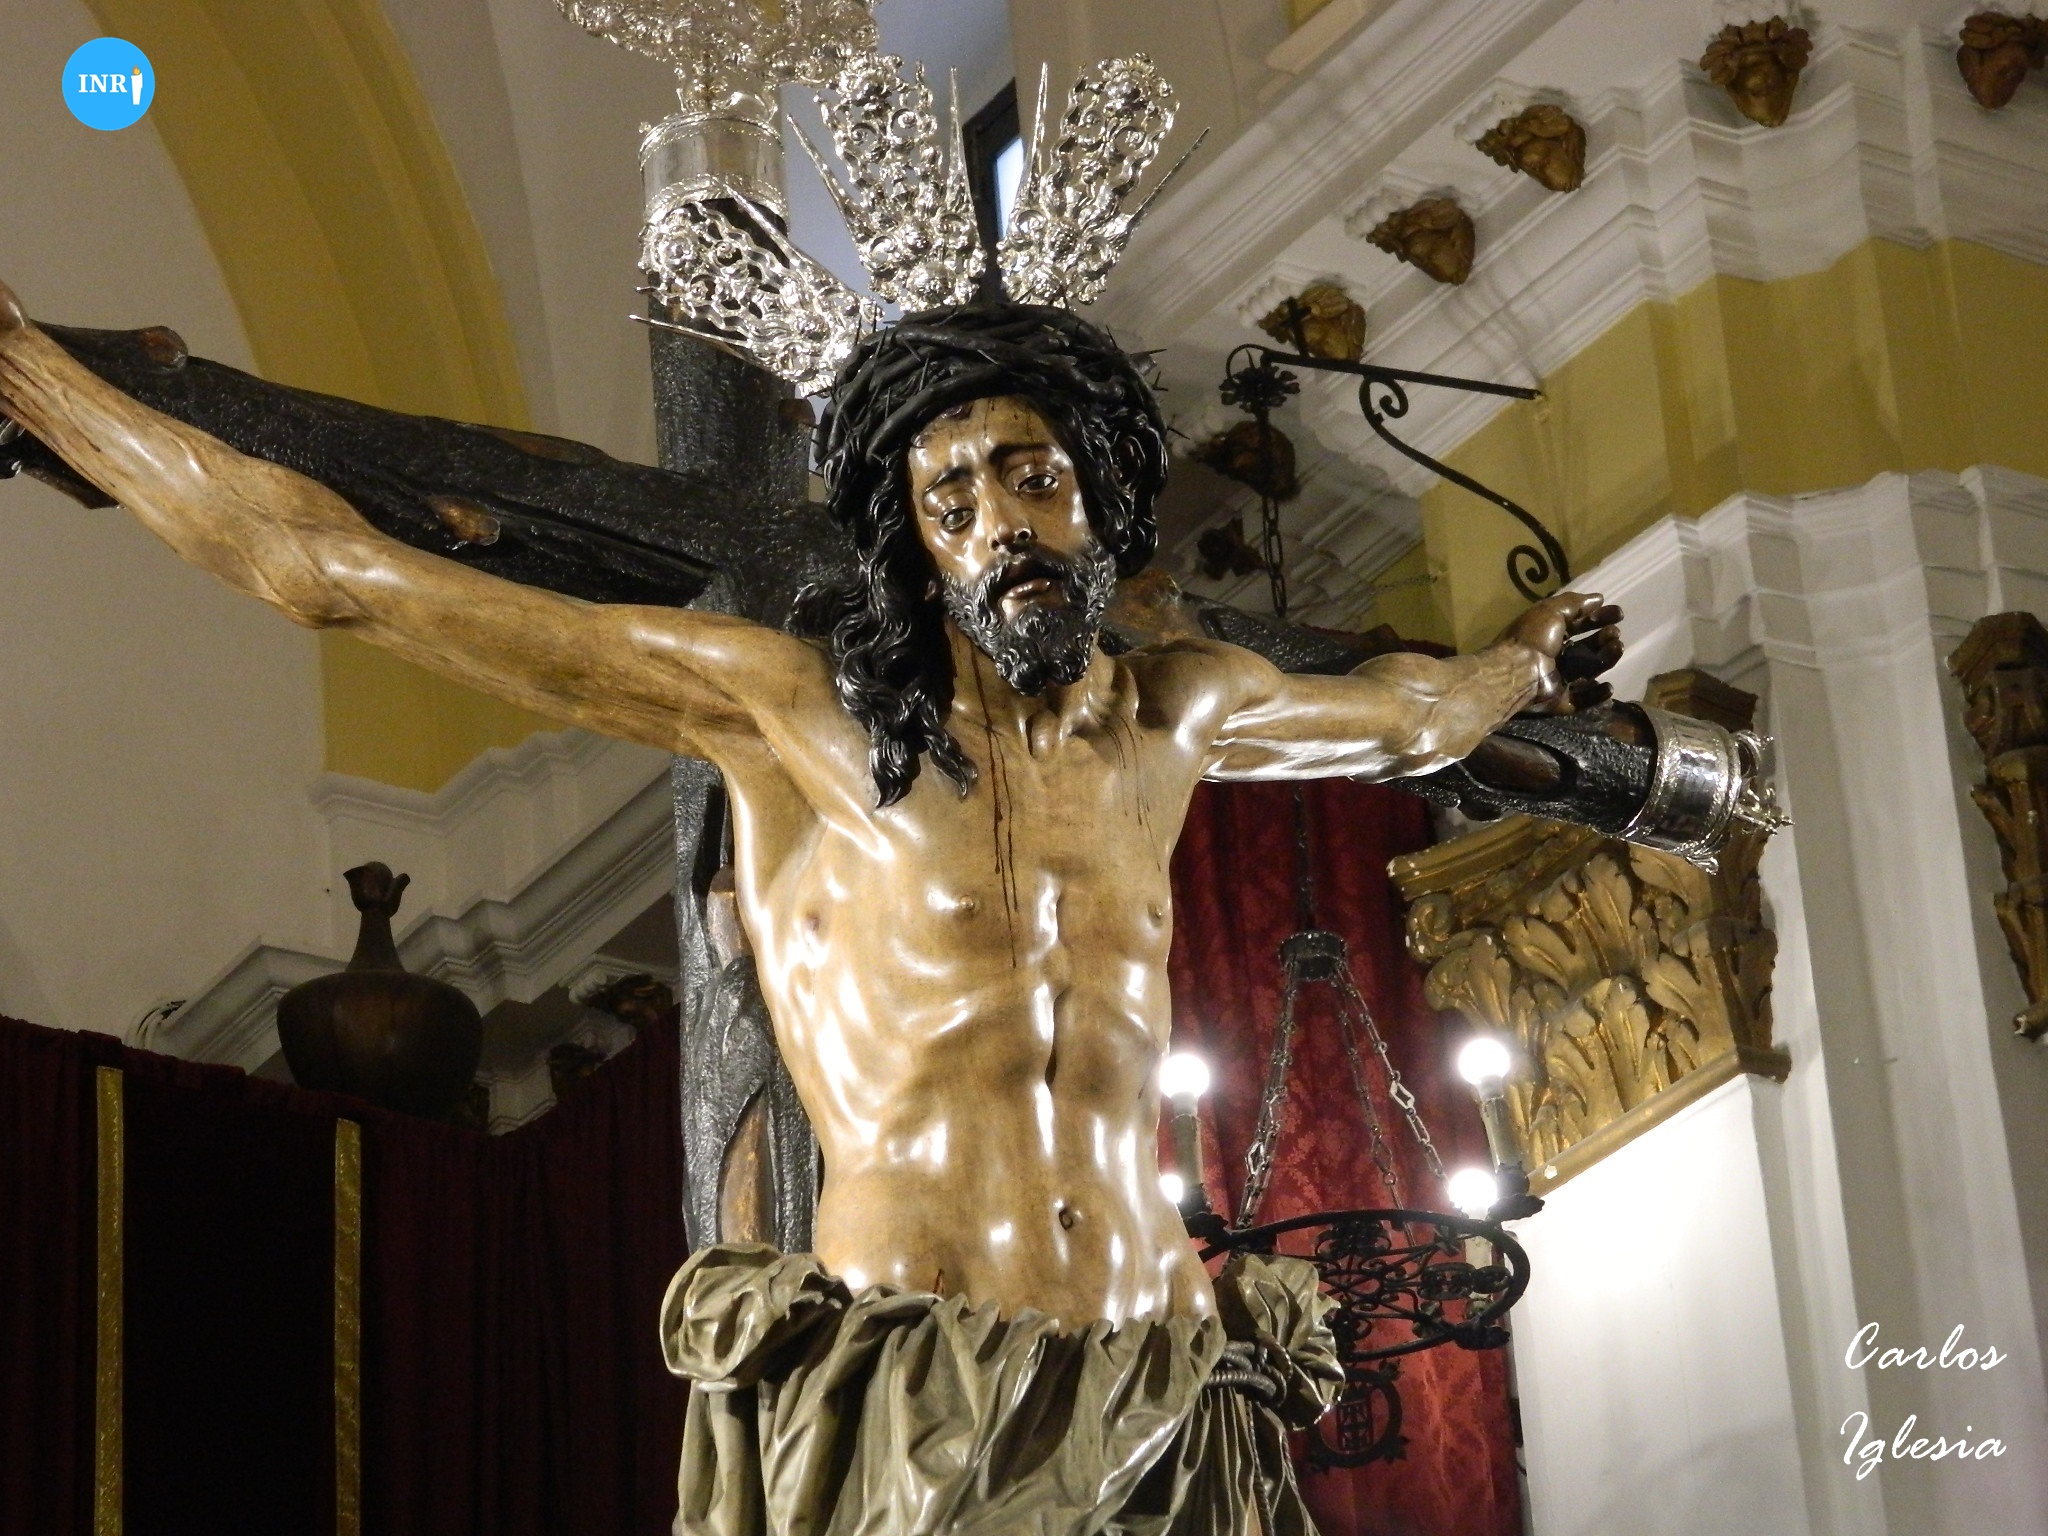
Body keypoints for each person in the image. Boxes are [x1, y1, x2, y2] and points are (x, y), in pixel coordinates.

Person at [0, 285, 1619, 1533]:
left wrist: (1521, 664)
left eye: (1033, 478)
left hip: (1174, 1376)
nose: (1001, 523)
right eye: (952, 498)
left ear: (1101, 496)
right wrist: (36, 380)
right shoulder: (792, 718)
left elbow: (1412, 720)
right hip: (930, 1371)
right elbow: (330, 574)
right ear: (914, 541)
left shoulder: (1180, 711)